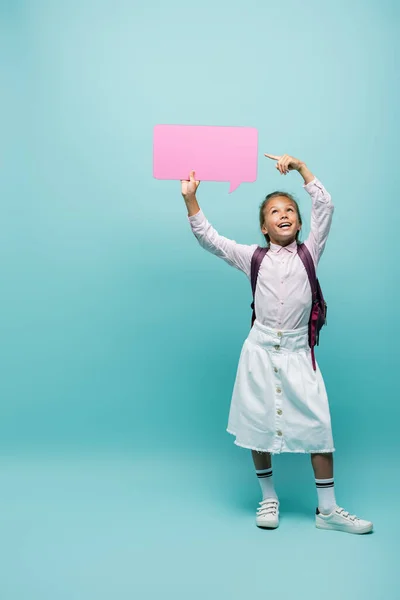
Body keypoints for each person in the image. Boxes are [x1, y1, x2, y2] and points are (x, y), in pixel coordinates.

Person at [181, 154, 373, 534]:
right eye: (274, 211)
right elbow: (210, 239)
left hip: (299, 353)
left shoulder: (310, 252)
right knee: (258, 424)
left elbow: (326, 204)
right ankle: (268, 497)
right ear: (264, 227)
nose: (283, 214)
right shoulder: (252, 257)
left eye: (289, 210)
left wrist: (302, 169)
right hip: (259, 351)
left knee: (320, 426)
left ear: (300, 224)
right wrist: (190, 198)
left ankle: (328, 510)